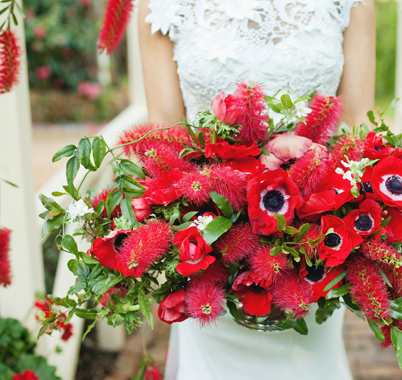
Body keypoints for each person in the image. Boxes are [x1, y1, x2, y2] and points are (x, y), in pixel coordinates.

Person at [138, 1, 375, 379]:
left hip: (313, 251)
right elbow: (164, 141)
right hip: (212, 253)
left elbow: (358, 124)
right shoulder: (164, 7)